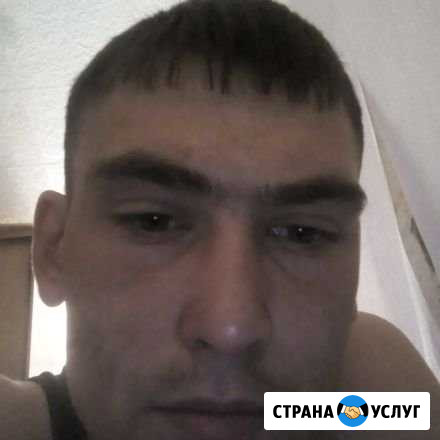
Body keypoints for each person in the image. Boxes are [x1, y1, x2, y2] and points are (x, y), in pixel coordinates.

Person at [1, 0, 439, 439]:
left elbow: (399, 414)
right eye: (153, 221)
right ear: (54, 249)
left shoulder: (344, 399)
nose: (231, 329)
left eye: (302, 233)